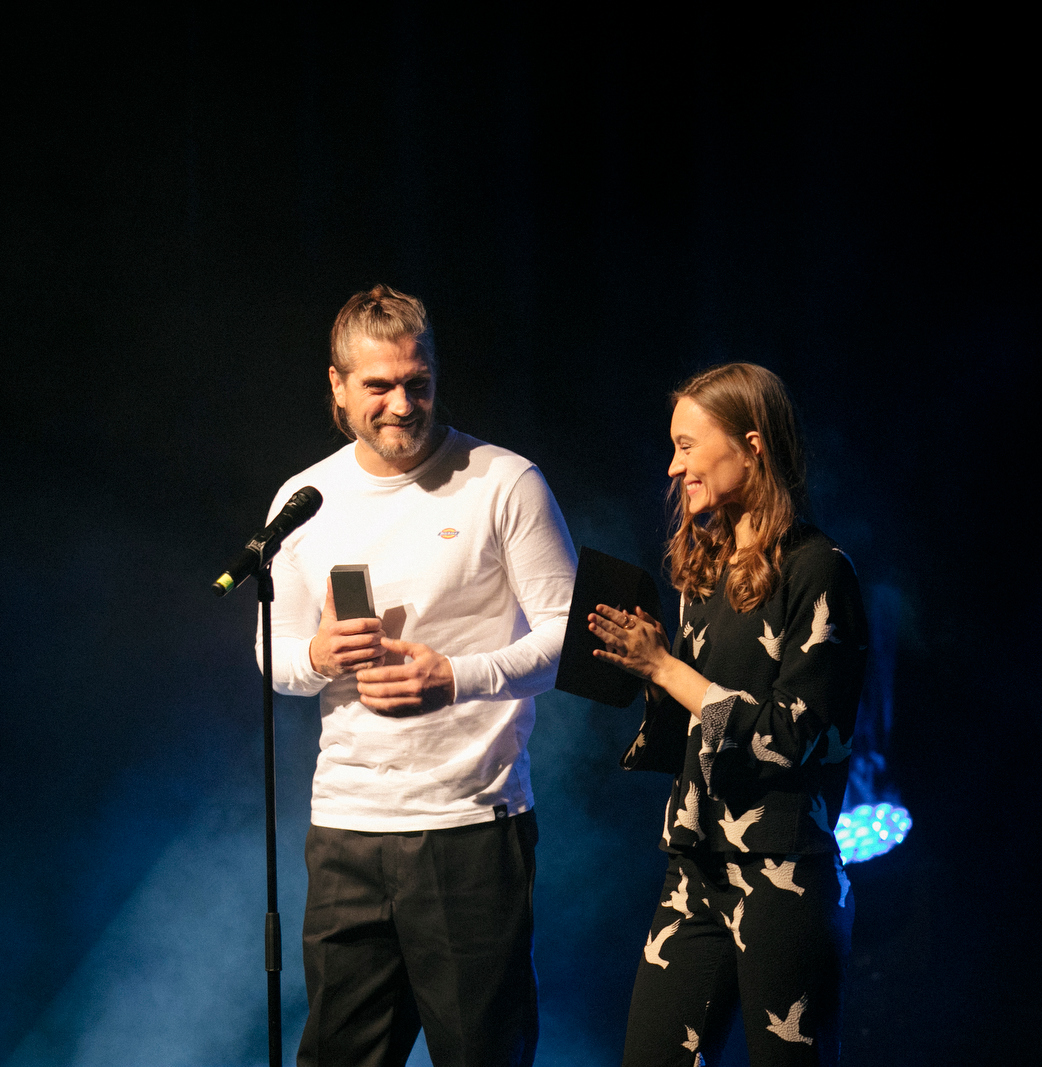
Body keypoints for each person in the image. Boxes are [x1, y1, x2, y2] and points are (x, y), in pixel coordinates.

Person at [261, 285, 576, 1067]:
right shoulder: (304, 501)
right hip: (347, 827)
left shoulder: (503, 480)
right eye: (380, 386)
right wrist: (317, 656)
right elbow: (275, 656)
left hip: (470, 825)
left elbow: (568, 638)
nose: (402, 404)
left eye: (418, 382)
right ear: (337, 386)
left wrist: (457, 677)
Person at [588, 363, 867, 1067]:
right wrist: (644, 670)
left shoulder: (819, 569)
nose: (674, 466)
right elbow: (696, 730)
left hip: (784, 871)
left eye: (687, 445)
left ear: (751, 445)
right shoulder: (705, 568)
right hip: (695, 865)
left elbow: (791, 737)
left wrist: (668, 668)